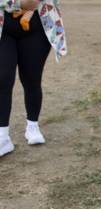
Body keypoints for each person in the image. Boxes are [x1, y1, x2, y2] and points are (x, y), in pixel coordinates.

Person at [0, 0, 67, 156]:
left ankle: (32, 126)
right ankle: (2, 136)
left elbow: (31, 3)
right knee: (2, 78)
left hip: (38, 21)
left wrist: (27, 5)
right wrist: (21, 4)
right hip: (4, 23)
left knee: (32, 78)